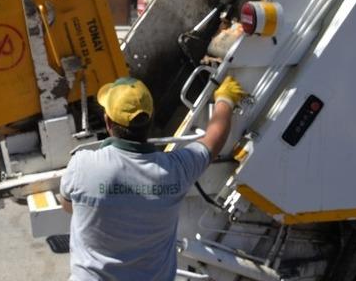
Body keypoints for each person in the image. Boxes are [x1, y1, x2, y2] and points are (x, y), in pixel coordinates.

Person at [59, 75, 246, 280]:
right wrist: (225, 100)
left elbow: (68, 206)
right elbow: (213, 141)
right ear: (151, 119)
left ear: (108, 122)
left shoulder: (83, 165)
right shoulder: (176, 170)